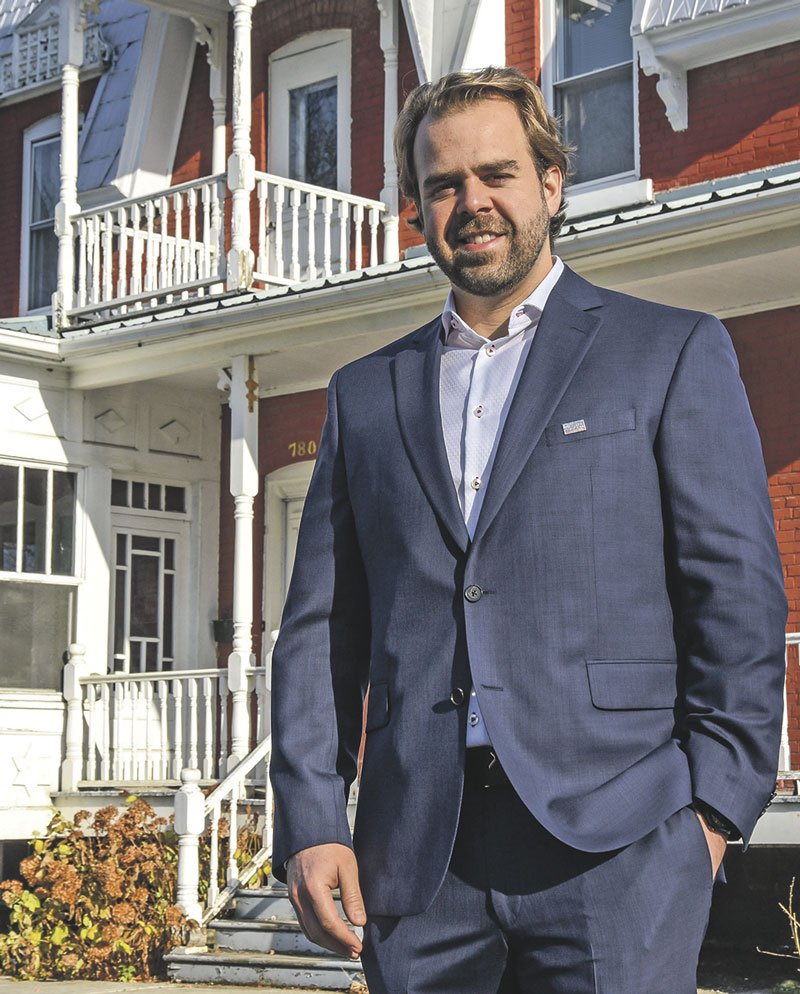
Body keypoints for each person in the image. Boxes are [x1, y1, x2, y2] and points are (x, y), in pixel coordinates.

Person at [269, 66, 787, 993]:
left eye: (498, 174)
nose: (473, 203)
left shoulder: (668, 351)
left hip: (620, 844)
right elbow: (318, 631)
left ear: (551, 183)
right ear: (418, 208)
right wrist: (311, 816)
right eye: (442, 185)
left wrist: (713, 811)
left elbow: (735, 595)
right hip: (417, 858)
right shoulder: (364, 395)